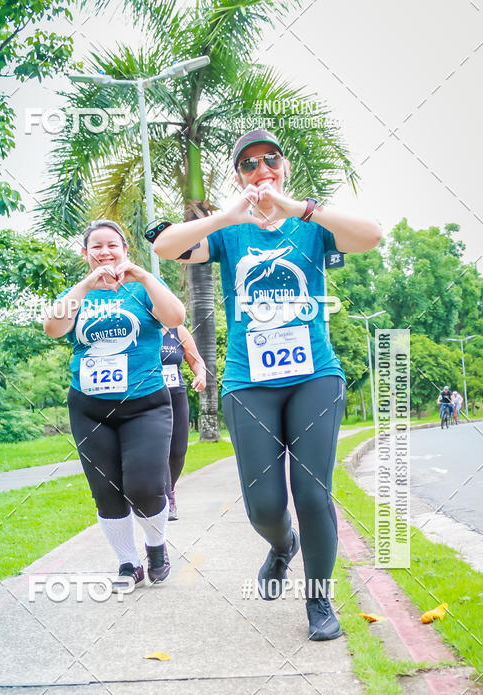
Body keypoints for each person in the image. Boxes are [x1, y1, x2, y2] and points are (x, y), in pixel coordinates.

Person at [154, 128, 382, 641]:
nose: (262, 170)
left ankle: (319, 601)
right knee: (264, 506)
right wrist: (229, 214)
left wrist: (298, 206)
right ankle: (282, 547)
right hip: (248, 381)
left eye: (270, 160)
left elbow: (371, 235)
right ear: (238, 175)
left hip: (314, 377)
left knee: (312, 491)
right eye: (250, 164)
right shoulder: (229, 234)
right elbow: (168, 246)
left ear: (284, 167)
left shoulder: (312, 226)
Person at [43, 219, 185, 589]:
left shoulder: (143, 288)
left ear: (125, 249)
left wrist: (143, 276)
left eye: (112, 246)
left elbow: (175, 318)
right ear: (86, 253)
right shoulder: (79, 292)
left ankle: (156, 546)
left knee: (143, 486)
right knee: (105, 491)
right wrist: (88, 283)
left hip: (145, 403)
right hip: (90, 406)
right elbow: (53, 327)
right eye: (97, 247)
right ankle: (128, 564)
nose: (105, 252)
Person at [161, 325, 207, 519]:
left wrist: (201, 375)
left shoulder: (178, 331)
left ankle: (169, 489)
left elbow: (196, 361)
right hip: (148, 399)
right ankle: (165, 499)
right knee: (157, 450)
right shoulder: (138, 325)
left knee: (178, 451)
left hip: (176, 397)